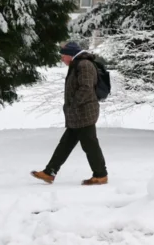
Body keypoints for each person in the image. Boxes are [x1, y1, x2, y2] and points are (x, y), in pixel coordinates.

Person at [31, 42, 108, 185]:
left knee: (90, 145)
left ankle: (101, 175)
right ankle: (49, 172)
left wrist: (74, 105)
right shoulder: (77, 64)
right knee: (66, 144)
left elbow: (86, 88)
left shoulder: (84, 65)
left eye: (63, 55)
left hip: (84, 112)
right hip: (78, 112)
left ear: (71, 55)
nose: (62, 59)